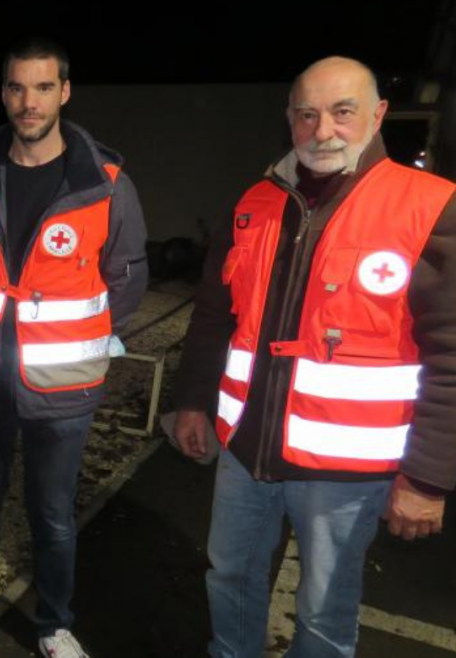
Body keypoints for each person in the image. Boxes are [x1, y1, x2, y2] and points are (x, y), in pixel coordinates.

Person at [172, 56, 456, 657]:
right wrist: (193, 402)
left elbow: (452, 354)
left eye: (342, 111)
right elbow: (213, 318)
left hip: (346, 475)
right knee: (229, 578)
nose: (323, 129)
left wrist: (427, 479)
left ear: (378, 115)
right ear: (290, 120)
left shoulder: (429, 208)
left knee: (325, 609)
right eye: (307, 114)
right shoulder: (254, 202)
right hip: (246, 451)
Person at [0, 38, 148, 658]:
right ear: (3, 94)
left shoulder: (104, 182)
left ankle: (55, 625)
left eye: (44, 87)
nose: (30, 102)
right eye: (18, 88)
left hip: (64, 384)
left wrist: (85, 341)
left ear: (65, 92)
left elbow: (128, 277)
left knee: (52, 515)